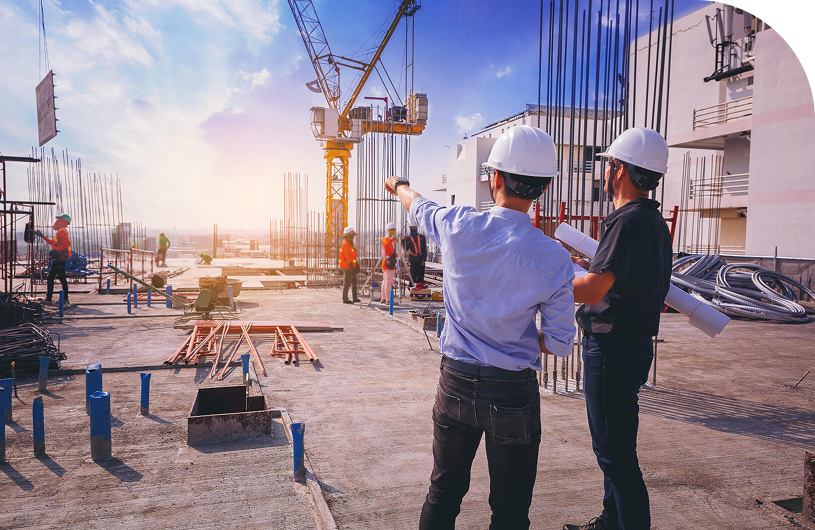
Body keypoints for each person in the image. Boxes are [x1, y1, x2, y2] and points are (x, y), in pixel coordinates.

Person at [385, 125, 576, 530]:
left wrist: (399, 184)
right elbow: (560, 344)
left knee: (443, 492)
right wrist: (514, 336)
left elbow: (417, 204)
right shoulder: (554, 257)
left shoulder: (458, 225)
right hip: (512, 392)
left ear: (497, 178)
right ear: (543, 186)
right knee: (510, 511)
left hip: (455, 382)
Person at [563, 127, 673, 530]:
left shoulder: (624, 222)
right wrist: (579, 266)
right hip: (632, 346)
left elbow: (593, 290)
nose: (606, 172)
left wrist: (545, 279)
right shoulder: (652, 222)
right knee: (618, 444)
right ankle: (611, 522)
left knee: (614, 455)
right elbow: (622, 280)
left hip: (611, 348)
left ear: (620, 170)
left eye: (609, 164)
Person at [40, 214, 72, 306]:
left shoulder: (62, 231)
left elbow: (66, 244)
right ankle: (65, 299)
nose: (56, 222)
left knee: (50, 277)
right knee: (62, 278)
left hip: (59, 258)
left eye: (59, 220)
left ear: (63, 221)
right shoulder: (60, 231)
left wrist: (56, 250)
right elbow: (53, 242)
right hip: (61, 258)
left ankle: (49, 299)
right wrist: (43, 236)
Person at [339, 226, 360, 304]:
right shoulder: (346, 244)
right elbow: (348, 257)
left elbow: (353, 257)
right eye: (350, 236)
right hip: (346, 266)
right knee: (347, 282)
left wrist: (356, 265)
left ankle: (355, 297)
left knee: (354, 281)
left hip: (350, 265)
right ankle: (345, 298)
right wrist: (352, 267)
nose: (352, 237)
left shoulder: (350, 244)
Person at [380, 222, 398, 303]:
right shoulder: (386, 239)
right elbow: (386, 246)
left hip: (389, 262)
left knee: (385, 281)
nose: (392, 232)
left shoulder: (391, 240)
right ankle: (388, 300)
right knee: (389, 282)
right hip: (388, 263)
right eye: (391, 230)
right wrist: (391, 240)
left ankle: (384, 298)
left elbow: (394, 251)